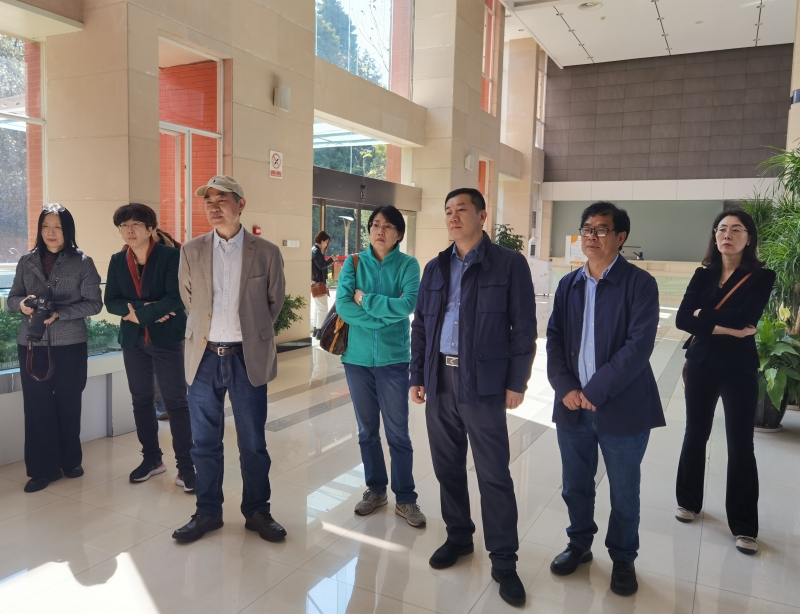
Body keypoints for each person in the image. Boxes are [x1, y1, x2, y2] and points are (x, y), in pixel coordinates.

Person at [410, 188, 537, 607]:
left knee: (493, 474)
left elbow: (524, 327)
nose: (453, 216)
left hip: (482, 383)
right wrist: (417, 374)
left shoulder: (508, 264)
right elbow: (421, 326)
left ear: (482, 216)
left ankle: (504, 560)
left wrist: (517, 381)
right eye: (448, 210)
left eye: (461, 209)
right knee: (447, 467)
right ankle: (459, 536)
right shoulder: (435, 267)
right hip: (440, 379)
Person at [546, 201, 664, 597]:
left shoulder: (639, 284)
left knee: (624, 490)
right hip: (572, 407)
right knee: (575, 485)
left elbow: (638, 346)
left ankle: (623, 558)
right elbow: (554, 340)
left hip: (622, 406)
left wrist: (595, 391)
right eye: (587, 229)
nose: (591, 237)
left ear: (620, 237)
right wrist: (566, 388)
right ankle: (579, 544)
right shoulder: (569, 284)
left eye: (601, 230)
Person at [173, 175, 287, 544]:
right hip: (204, 357)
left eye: (222, 199)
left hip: (246, 357)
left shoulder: (266, 251)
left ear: (241, 204)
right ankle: (208, 512)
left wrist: (249, 333)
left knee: (253, 442)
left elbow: (274, 303)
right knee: (204, 442)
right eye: (208, 200)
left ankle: (257, 511)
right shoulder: (191, 250)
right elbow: (190, 301)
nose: (214, 206)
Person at [674, 208, 775, 555]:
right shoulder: (703, 275)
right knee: (695, 433)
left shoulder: (761, 277)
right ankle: (688, 501)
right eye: (721, 229)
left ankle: (744, 526)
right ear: (714, 236)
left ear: (749, 237)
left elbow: (747, 316)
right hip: (701, 364)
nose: (727, 235)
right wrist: (729, 329)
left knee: (741, 444)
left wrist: (704, 316)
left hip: (739, 369)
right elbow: (682, 319)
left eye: (735, 229)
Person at [335, 206, 424, 527]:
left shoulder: (408, 265)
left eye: (387, 226)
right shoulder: (354, 263)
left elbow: (408, 304)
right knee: (367, 431)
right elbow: (343, 306)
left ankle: (406, 497)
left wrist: (365, 300)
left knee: (398, 432)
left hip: (394, 361)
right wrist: (382, 317)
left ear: (398, 233)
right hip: (356, 361)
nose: (379, 231)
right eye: (374, 225)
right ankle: (375, 490)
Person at [8, 204, 102, 493]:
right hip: (32, 343)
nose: (51, 232)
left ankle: (70, 461)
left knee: (69, 402)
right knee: (37, 406)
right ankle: (42, 469)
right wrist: (23, 305)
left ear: (67, 230)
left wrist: (61, 313)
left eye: (57, 227)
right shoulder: (26, 261)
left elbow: (94, 304)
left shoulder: (83, 262)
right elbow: (12, 299)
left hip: (70, 344)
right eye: (45, 226)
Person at [104, 203, 195, 492]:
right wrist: (147, 311)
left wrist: (139, 313)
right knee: (141, 400)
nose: (129, 230)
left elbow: (175, 297)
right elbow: (111, 301)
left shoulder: (171, 256)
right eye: (124, 226)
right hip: (133, 342)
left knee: (176, 402)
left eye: (136, 225)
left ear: (151, 228)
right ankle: (152, 459)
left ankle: (186, 467)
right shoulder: (118, 260)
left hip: (167, 340)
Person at [311, 231, 334, 339]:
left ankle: (317, 330)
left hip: (315, 282)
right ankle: (321, 331)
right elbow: (322, 266)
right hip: (319, 283)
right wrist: (331, 260)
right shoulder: (316, 252)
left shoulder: (314, 250)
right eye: (326, 242)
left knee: (318, 307)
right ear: (322, 240)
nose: (326, 244)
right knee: (323, 308)